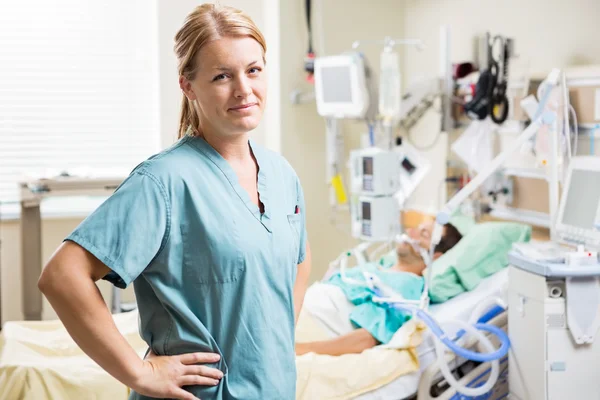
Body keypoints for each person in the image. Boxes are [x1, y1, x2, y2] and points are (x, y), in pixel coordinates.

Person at [37, 4, 311, 400]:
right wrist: (139, 372)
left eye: (253, 70)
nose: (244, 89)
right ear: (188, 85)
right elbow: (62, 276)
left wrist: (275, 340)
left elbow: (299, 258)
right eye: (222, 76)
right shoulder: (164, 181)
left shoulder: (281, 174)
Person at [295, 221, 462, 357]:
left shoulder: (408, 286)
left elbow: (365, 339)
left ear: (435, 256)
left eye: (423, 234)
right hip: (294, 313)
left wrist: (300, 350)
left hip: (310, 328)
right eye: (417, 228)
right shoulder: (377, 267)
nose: (411, 232)